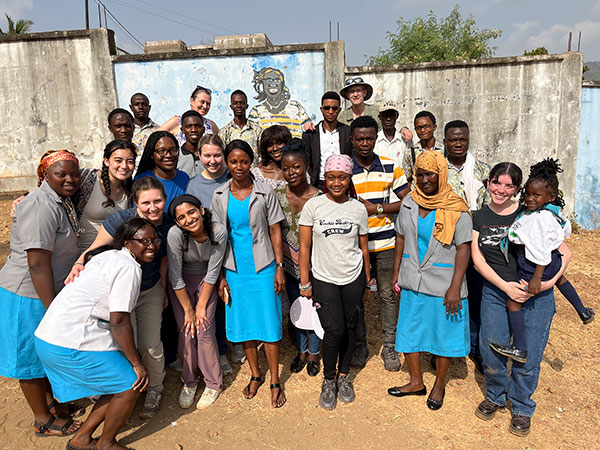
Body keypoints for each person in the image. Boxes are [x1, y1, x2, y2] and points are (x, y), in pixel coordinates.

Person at [34, 218, 156, 450]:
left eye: (155, 240)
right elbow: (119, 321)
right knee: (132, 383)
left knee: (118, 381)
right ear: (128, 243)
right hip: (68, 342)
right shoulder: (128, 267)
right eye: (144, 241)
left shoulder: (106, 256)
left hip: (51, 337)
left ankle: (81, 439)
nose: (152, 246)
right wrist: (137, 363)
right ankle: (106, 443)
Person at [471, 161, 571, 436]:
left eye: (509, 185)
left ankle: (522, 407)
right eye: (496, 182)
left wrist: (548, 282)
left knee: (529, 355)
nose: (500, 190)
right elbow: (477, 260)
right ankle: (495, 395)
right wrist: (504, 285)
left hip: (534, 297)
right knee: (492, 346)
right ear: (488, 182)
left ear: (517, 189)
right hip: (495, 291)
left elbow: (565, 253)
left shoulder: (531, 213)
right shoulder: (477, 217)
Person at [66, 176, 171, 419]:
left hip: (149, 289)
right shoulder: (120, 221)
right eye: (146, 203)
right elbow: (95, 248)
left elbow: (163, 260)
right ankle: (126, 389)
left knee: (150, 343)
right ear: (135, 203)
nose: (153, 207)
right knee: (123, 344)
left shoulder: (167, 225)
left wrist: (163, 289)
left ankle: (154, 387)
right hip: (119, 293)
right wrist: (78, 264)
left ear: (165, 200)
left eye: (158, 201)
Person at [0, 150, 83, 438]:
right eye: (62, 173)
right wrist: (53, 309)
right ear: (45, 175)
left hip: (44, 290)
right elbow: (36, 264)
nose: (70, 179)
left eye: (74, 173)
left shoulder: (59, 200)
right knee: (28, 359)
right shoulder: (40, 205)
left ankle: (50, 402)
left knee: (42, 353)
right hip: (27, 293)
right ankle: (42, 419)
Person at [387, 150, 471, 411]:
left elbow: (463, 248)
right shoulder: (410, 202)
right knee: (410, 331)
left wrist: (455, 286)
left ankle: (439, 384)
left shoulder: (456, 208)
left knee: (442, 334)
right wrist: (396, 272)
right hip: (413, 278)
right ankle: (415, 381)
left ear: (441, 175)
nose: (424, 180)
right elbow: (400, 237)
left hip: (444, 283)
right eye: (419, 174)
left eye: (429, 174)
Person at [491, 159, 594, 362]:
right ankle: (582, 310)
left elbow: (540, 251)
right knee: (560, 278)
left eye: (536, 195)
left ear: (550, 196)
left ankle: (519, 347)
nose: (529, 198)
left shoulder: (538, 219)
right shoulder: (549, 213)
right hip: (551, 260)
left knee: (514, 303)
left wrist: (537, 278)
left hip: (535, 264)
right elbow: (559, 237)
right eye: (527, 194)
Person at [211, 139, 287, 408]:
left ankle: (275, 379)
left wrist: (279, 267)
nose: (239, 166)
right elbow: (217, 238)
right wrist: (220, 276)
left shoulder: (265, 193)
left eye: (244, 161)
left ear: (251, 163)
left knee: (269, 322)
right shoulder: (219, 195)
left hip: (264, 267)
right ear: (227, 163)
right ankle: (256, 373)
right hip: (234, 269)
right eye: (233, 161)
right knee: (244, 324)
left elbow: (276, 230)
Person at [299, 154, 370, 410]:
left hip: (353, 277)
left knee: (350, 328)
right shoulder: (313, 206)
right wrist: (305, 281)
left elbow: (363, 248)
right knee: (334, 330)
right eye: (331, 178)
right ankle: (328, 380)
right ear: (325, 178)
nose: (337, 183)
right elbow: (305, 246)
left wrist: (368, 280)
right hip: (323, 278)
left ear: (349, 179)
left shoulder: (358, 208)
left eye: (342, 178)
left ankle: (344, 376)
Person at [350, 115, 409, 371]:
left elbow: (408, 201)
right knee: (357, 297)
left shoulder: (389, 166)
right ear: (352, 140)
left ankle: (390, 346)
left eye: (369, 138)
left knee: (387, 296)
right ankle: (360, 346)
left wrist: (379, 209)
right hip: (353, 247)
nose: (365, 143)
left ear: (376, 138)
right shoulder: (343, 169)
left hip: (386, 244)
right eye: (360, 138)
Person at [185, 134, 247, 374]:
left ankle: (237, 341)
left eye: (217, 155)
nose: (213, 160)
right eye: (207, 155)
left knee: (234, 298)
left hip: (235, 248)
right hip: (207, 252)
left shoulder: (234, 176)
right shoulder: (193, 184)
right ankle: (220, 351)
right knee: (214, 301)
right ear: (199, 156)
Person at [167, 195, 227, 409]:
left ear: (201, 210)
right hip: (181, 283)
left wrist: (200, 307)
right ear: (176, 222)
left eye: (191, 212)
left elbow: (213, 272)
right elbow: (175, 275)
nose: (188, 219)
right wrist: (188, 310)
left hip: (205, 281)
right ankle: (189, 381)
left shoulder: (217, 231)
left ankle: (213, 383)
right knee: (186, 329)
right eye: (181, 217)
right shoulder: (175, 235)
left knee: (204, 329)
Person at [274, 141, 321, 376]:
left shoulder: (320, 197)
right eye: (286, 168)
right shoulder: (276, 195)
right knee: (297, 309)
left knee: (315, 308)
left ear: (307, 167)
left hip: (315, 266)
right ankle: (301, 351)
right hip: (288, 265)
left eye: (297, 167)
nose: (291, 172)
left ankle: (314, 352)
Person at [75, 139, 136, 249]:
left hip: (112, 258)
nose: (124, 166)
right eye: (118, 160)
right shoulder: (87, 178)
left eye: (130, 161)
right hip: (83, 256)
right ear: (106, 161)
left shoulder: (131, 190)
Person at [302, 91, 353, 190]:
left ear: (339, 110)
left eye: (334, 108)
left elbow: (353, 156)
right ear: (321, 109)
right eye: (327, 108)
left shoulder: (348, 132)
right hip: (319, 183)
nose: (330, 111)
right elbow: (307, 160)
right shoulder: (310, 134)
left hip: (343, 183)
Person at [248, 66, 315, 138]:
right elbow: (252, 138)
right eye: (268, 80)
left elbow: (309, 128)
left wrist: (309, 125)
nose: (273, 84)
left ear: (282, 85)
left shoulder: (296, 107)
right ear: (262, 84)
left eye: (277, 80)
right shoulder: (256, 112)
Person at [135, 130, 189, 210]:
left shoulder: (184, 177)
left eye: (173, 150)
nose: (168, 155)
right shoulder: (141, 180)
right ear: (152, 155)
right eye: (161, 151)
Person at [218, 89, 262, 162]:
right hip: (233, 172)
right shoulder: (224, 132)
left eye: (242, 103)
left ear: (246, 106)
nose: (239, 106)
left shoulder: (257, 130)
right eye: (235, 103)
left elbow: (262, 154)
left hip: (254, 172)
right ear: (231, 106)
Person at [404, 111, 444, 183]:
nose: (422, 130)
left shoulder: (444, 150)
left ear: (434, 127)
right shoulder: (410, 152)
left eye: (426, 126)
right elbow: (408, 179)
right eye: (419, 128)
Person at [251, 125, 292, 189]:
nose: (275, 148)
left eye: (279, 143)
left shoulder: (297, 171)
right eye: (270, 145)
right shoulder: (257, 175)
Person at [374, 100, 413, 169]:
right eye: (385, 115)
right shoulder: (375, 140)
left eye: (391, 115)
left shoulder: (405, 140)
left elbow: (411, 163)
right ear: (380, 117)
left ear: (396, 116)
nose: (388, 119)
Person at [177, 110, 206, 178]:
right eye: (188, 126)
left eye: (197, 126)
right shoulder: (176, 156)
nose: (193, 130)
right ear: (182, 130)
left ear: (204, 129)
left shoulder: (210, 155)